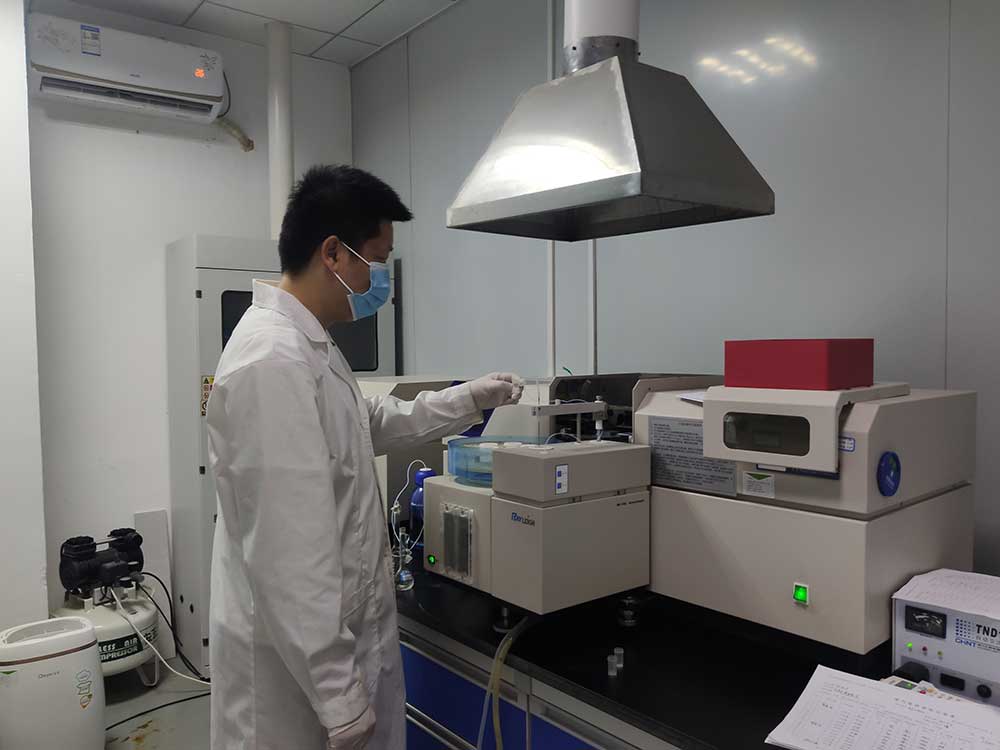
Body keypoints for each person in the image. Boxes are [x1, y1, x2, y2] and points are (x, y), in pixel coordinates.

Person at [205, 165, 523, 750]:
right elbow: (287, 551)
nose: (382, 282)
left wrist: (467, 399)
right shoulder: (271, 362)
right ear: (332, 253)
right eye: (376, 262)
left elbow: (364, 423)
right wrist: (339, 696)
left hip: (331, 647)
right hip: (290, 685)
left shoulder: (311, 347)